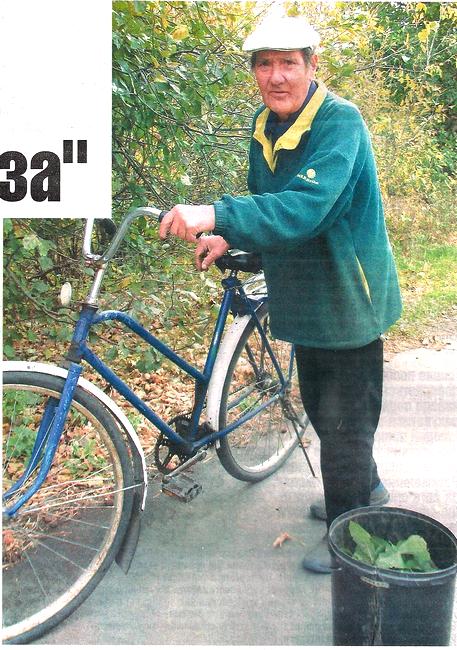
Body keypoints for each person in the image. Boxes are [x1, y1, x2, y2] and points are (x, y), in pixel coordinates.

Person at [159, 15, 402, 573]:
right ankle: (366, 486)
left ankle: (352, 540)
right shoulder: (265, 125)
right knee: (322, 406)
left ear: (313, 65)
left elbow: (307, 206)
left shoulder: (341, 122)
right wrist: (232, 235)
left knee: (344, 422)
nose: (276, 76)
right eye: (264, 64)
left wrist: (216, 213)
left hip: (348, 294)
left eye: (289, 63)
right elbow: (274, 205)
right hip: (305, 290)